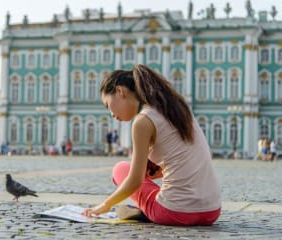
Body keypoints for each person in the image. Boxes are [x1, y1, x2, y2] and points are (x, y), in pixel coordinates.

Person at [82, 64, 221, 226]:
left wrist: (105, 205)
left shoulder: (142, 121)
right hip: (211, 211)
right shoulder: (178, 110)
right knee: (143, 169)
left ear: (120, 92)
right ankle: (144, 210)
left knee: (120, 169)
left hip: (175, 213)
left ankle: (145, 210)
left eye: (108, 105)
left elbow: (135, 180)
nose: (112, 114)